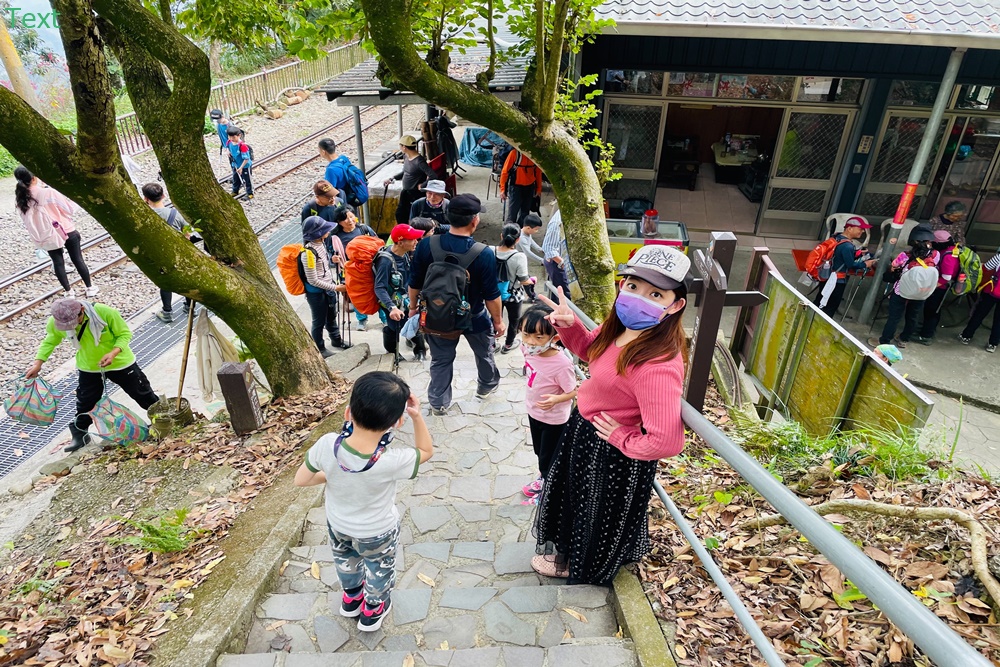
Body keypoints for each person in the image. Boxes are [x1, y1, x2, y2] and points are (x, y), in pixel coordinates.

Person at [531, 245, 690, 585]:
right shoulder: (620, 327)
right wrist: (570, 326)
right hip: (587, 432)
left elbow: (667, 440)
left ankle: (585, 567)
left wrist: (621, 436)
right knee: (579, 504)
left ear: (675, 305)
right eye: (632, 286)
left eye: (655, 293)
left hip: (613, 451)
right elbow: (592, 352)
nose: (638, 297)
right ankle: (582, 555)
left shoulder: (656, 364)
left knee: (597, 513)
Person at [294, 371, 433, 632]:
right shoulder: (392, 461)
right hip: (377, 531)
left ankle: (351, 599)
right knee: (379, 569)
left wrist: (335, 476)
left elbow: (301, 480)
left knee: (346, 562)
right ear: (397, 422)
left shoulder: (326, 445)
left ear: (348, 413)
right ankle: (372, 610)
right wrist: (417, 415)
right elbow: (426, 451)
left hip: (339, 525)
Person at [407, 194, 504, 415]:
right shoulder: (484, 253)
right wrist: (498, 322)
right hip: (475, 317)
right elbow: (492, 294)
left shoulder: (426, 246)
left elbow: (414, 283)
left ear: (448, 218)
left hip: (437, 316)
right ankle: (486, 386)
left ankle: (439, 402)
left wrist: (413, 308)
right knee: (484, 353)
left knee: (440, 359)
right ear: (474, 221)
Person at [25, 298, 159, 453]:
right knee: (85, 403)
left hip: (120, 363)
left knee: (142, 392)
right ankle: (80, 434)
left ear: (82, 309)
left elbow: (124, 334)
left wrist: (113, 353)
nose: (71, 327)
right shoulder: (56, 322)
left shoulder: (104, 312)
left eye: (75, 321)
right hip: (89, 367)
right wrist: (38, 364)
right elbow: (50, 341)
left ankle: (161, 420)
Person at [518, 304, 577, 506]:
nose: (530, 342)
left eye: (538, 337)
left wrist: (556, 399)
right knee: (539, 451)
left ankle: (550, 493)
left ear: (555, 338)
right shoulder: (527, 349)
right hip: (534, 413)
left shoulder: (562, 365)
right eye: (526, 334)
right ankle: (545, 480)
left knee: (549, 457)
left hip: (554, 419)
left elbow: (575, 390)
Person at [14, 167, 99, 299]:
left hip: (46, 235)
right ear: (34, 178)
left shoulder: (20, 199)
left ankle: (69, 292)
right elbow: (69, 209)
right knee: (77, 259)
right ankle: (89, 287)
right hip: (65, 230)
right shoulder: (48, 192)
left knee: (57, 262)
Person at [875, 229, 940, 348]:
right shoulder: (935, 255)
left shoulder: (905, 255)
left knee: (894, 317)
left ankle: (885, 341)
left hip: (901, 290)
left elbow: (894, 265)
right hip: (921, 291)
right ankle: (904, 339)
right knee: (912, 317)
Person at [143, 183, 194, 323]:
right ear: (163, 196)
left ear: (146, 199)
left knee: (165, 283)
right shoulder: (174, 213)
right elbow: (188, 234)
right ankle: (190, 307)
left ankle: (167, 312)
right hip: (179, 254)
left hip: (160, 256)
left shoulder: (145, 216)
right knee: (186, 280)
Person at [301, 216, 351, 358]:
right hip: (317, 294)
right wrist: (336, 288)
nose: (328, 231)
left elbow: (322, 264)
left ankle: (336, 340)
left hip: (329, 289)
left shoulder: (321, 244)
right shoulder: (308, 254)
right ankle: (320, 348)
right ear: (317, 234)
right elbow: (313, 280)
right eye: (324, 229)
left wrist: (331, 259)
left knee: (331, 316)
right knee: (319, 321)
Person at [376, 224, 427, 360]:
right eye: (412, 239)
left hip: (406, 297)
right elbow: (379, 287)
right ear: (400, 242)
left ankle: (420, 350)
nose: (416, 241)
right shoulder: (385, 261)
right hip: (392, 302)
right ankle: (393, 353)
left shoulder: (404, 254)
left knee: (413, 322)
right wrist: (392, 308)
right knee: (394, 327)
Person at [814, 217, 876, 317]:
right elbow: (850, 265)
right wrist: (865, 264)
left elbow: (839, 255)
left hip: (826, 275)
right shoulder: (847, 246)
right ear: (849, 228)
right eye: (860, 228)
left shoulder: (836, 237)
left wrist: (857, 253)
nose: (863, 231)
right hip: (837, 280)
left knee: (820, 299)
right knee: (830, 307)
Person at [333, 206, 381, 331]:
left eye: (351, 216)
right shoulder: (335, 236)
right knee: (357, 295)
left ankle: (384, 318)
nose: (350, 221)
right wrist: (333, 259)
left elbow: (378, 244)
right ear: (339, 222)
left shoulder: (364, 229)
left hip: (371, 268)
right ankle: (362, 320)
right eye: (345, 219)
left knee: (378, 291)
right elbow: (330, 253)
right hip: (351, 270)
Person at [494, 223, 536, 353]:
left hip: (494, 294)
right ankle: (508, 344)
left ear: (501, 235)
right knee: (514, 321)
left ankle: (492, 344)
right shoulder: (519, 257)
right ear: (518, 239)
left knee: (494, 318)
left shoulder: (490, 251)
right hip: (514, 294)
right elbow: (524, 280)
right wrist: (533, 280)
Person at [914, 230, 959, 345]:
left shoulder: (948, 256)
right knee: (931, 310)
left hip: (940, 288)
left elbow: (947, 277)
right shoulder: (949, 249)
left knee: (932, 311)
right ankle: (926, 330)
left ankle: (926, 336)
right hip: (938, 286)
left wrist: (931, 286)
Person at [384, 135, 437, 226]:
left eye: (400, 145)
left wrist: (423, 185)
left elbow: (433, 175)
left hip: (415, 194)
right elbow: (405, 172)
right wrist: (392, 178)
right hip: (406, 192)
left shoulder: (419, 161)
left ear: (404, 147)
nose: (400, 147)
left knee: (411, 215)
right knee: (400, 214)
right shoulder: (406, 157)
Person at [958, 251, 1000, 353]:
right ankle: (992, 344)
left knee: (979, 313)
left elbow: (986, 268)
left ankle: (966, 336)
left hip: (991, 290)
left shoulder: (999, 257)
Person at [500, 150, 543, 226]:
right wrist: (503, 189)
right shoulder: (514, 154)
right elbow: (505, 172)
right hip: (515, 187)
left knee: (525, 214)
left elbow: (538, 173)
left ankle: (520, 234)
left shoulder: (535, 155)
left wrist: (538, 189)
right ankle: (508, 233)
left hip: (530, 187)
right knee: (512, 215)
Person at [541, 207, 570, 302]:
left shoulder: (566, 215)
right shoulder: (557, 222)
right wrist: (562, 263)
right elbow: (548, 248)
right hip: (556, 262)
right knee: (563, 294)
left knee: (558, 292)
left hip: (559, 260)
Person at [226, 126, 253, 199]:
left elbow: (246, 158)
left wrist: (241, 168)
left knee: (247, 180)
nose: (231, 139)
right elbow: (227, 147)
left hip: (245, 166)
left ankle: (250, 193)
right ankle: (235, 191)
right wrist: (228, 151)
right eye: (229, 137)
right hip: (235, 164)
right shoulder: (229, 142)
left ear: (239, 135)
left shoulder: (242, 145)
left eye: (233, 137)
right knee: (236, 178)